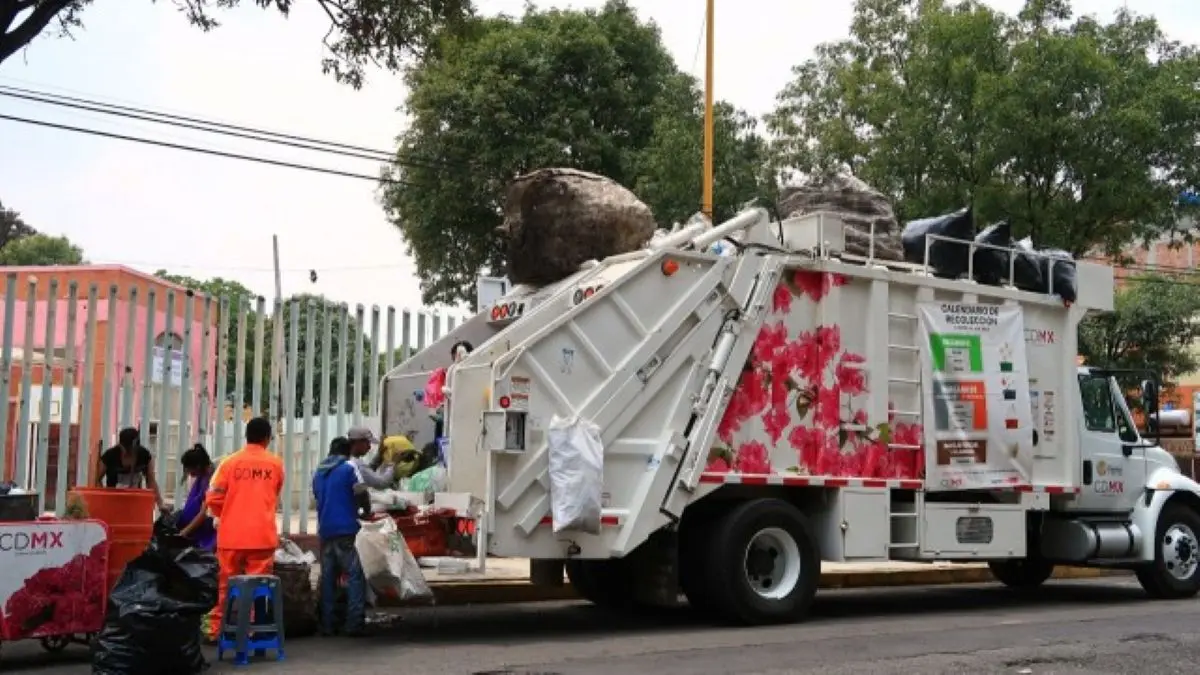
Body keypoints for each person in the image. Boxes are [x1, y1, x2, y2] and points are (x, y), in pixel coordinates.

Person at [204, 416, 285, 643]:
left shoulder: (229, 463)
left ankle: (217, 631)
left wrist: (226, 514)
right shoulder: (275, 464)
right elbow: (274, 493)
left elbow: (213, 497)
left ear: (246, 436)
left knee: (225, 587)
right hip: (262, 537)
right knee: (257, 589)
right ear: (267, 438)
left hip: (231, 537)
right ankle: (251, 631)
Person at [312, 436, 368, 637]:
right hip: (347, 530)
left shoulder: (318, 472)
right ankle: (354, 624)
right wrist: (366, 511)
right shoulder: (349, 467)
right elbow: (361, 493)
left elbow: (318, 497)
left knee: (328, 578)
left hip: (325, 530)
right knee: (354, 575)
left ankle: (328, 624)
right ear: (347, 452)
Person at [95, 427, 167, 513]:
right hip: (113, 502)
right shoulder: (109, 456)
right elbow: (97, 480)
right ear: (120, 445)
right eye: (126, 449)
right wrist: (104, 500)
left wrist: (160, 504)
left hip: (135, 501)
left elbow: (151, 480)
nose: (128, 453)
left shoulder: (144, 455)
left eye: (132, 450)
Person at [177, 444, 217, 550]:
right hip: (197, 529)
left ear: (198, 466)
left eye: (189, 469)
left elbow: (204, 513)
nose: (188, 473)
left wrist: (184, 532)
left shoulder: (212, 480)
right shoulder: (202, 476)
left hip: (208, 531)